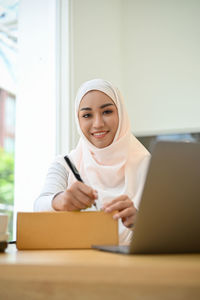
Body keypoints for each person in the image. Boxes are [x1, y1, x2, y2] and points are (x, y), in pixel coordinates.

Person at [34, 79, 150, 244]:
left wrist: (142, 223)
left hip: (135, 267)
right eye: (87, 115)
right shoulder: (66, 165)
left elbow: (171, 227)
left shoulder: (149, 166)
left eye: (107, 112)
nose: (98, 124)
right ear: (78, 120)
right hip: (78, 266)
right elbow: (38, 206)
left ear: (121, 114)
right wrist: (60, 200)